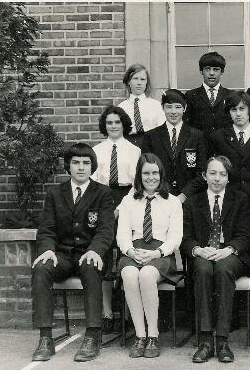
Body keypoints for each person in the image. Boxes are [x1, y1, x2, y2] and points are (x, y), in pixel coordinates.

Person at [31, 143, 114, 362]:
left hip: (89, 254)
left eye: (86, 163)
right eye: (76, 163)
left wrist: (96, 250)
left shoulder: (103, 193)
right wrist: (48, 250)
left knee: (91, 265)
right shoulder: (56, 193)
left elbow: (106, 229)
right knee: (41, 268)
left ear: (92, 167)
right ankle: (45, 338)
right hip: (63, 256)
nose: (81, 167)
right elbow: (47, 228)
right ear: (68, 166)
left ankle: (92, 336)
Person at [182, 156, 250, 363]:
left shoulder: (239, 199)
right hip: (203, 252)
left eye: (222, 174)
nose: (217, 178)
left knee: (223, 269)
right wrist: (197, 249)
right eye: (212, 173)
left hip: (229, 254)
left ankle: (222, 341)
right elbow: (185, 237)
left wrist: (229, 249)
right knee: (203, 270)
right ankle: (205, 341)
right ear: (204, 175)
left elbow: (243, 236)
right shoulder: (193, 202)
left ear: (228, 178)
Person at [116, 153, 183, 358]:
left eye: (155, 173)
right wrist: (130, 251)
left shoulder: (172, 202)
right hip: (134, 250)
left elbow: (175, 236)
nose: (150, 177)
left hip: (161, 252)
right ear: (139, 176)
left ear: (161, 175)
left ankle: (153, 335)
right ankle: (140, 335)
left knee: (146, 275)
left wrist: (156, 252)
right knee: (128, 274)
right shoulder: (128, 201)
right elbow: (123, 233)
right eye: (146, 173)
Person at [91, 106, 141, 334]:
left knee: (126, 258)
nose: (113, 126)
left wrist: (121, 208)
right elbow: (92, 184)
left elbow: (136, 184)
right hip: (102, 199)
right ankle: (108, 313)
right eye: (109, 122)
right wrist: (104, 209)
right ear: (105, 125)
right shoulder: (96, 150)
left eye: (117, 122)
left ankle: (129, 315)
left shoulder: (134, 150)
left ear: (124, 125)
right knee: (104, 258)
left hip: (127, 199)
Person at [208, 90, 250, 229]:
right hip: (228, 202)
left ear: (249, 109)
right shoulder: (218, 137)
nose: (238, 114)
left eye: (242, 109)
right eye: (233, 109)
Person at [142, 88, 206, 201]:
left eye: (178, 107)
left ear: (184, 108)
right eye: (169, 106)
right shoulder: (151, 136)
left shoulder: (197, 136)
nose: (173, 111)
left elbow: (201, 172)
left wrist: (184, 195)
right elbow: (147, 169)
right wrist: (164, 193)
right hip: (160, 197)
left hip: (190, 199)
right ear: (162, 108)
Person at [184, 51, 233, 136]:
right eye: (207, 69)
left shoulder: (231, 95)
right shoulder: (190, 96)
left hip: (225, 146)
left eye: (216, 69)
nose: (211, 73)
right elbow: (186, 126)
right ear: (201, 71)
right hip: (199, 146)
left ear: (222, 71)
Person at [117, 63, 166, 148]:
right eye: (135, 79)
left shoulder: (155, 105)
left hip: (151, 144)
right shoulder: (121, 107)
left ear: (147, 82)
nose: (139, 83)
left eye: (143, 79)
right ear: (129, 81)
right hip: (129, 145)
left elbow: (162, 130)